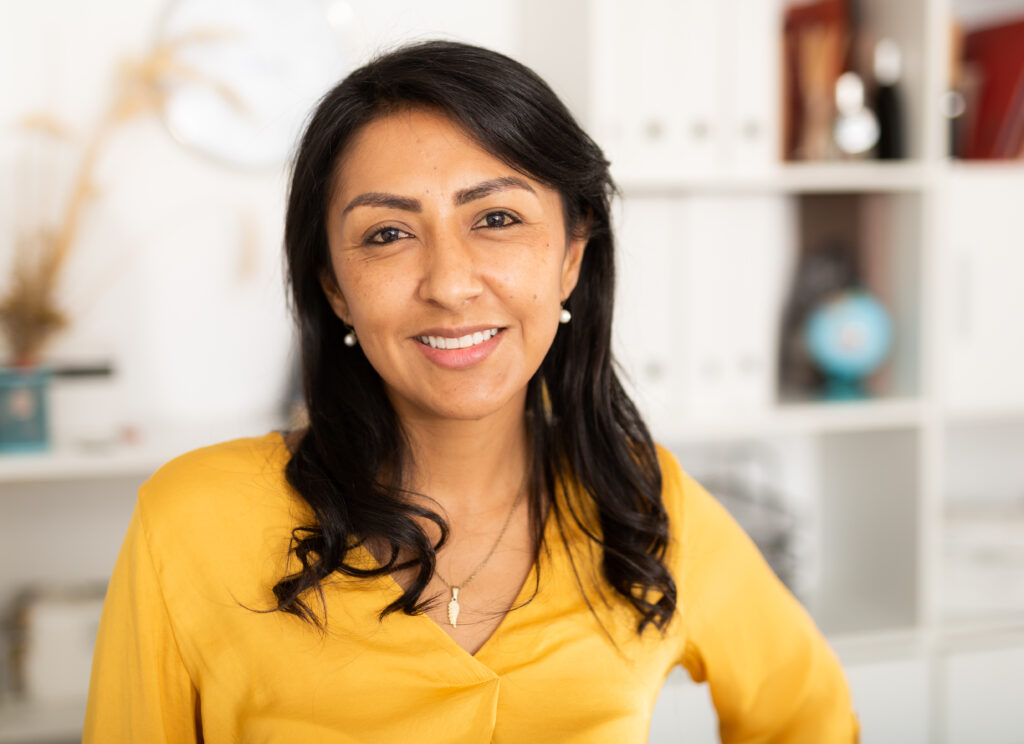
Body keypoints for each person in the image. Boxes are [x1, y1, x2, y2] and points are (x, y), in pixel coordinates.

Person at [83, 39, 860, 742]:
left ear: (570, 258)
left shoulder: (642, 502)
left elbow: (809, 717)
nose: (451, 284)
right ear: (335, 287)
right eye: (387, 234)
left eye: (495, 217)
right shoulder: (189, 523)